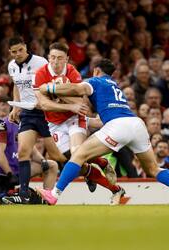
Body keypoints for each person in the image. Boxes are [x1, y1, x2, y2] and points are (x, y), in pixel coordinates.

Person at [36, 58, 169, 205]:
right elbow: (102, 115)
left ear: (96, 71)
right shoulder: (115, 86)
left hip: (117, 126)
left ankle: (54, 194)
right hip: (137, 124)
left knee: (78, 155)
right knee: (152, 168)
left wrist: (49, 87)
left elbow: (76, 88)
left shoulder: (95, 81)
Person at [33, 42, 125, 204]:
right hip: (54, 122)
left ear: (67, 59)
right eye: (52, 58)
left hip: (73, 119)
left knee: (77, 154)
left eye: (60, 58)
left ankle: (55, 194)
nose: (55, 62)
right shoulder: (40, 74)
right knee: (75, 163)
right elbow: (44, 104)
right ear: (48, 57)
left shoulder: (72, 72)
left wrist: (54, 90)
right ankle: (106, 171)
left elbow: (79, 100)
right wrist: (69, 103)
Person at [2, 36, 66, 204]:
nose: (17, 54)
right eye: (14, 52)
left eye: (20, 50)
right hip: (28, 113)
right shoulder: (11, 66)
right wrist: (16, 107)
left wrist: (47, 101)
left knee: (57, 155)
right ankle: (23, 193)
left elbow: (52, 83)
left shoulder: (40, 62)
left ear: (25, 47)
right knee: (23, 151)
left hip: (45, 112)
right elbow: (17, 85)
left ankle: (85, 170)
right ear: (10, 52)